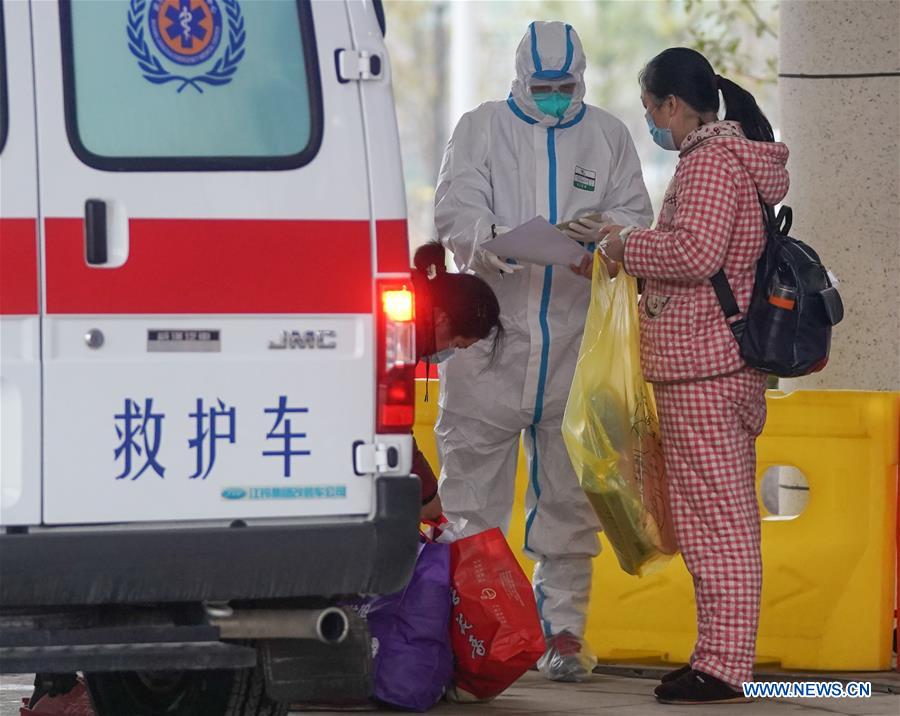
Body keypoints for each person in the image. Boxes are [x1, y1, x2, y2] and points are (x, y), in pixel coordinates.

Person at [433, 20, 653, 682]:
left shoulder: (608, 136)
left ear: (581, 77)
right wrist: (500, 239)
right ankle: (473, 634)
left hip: (574, 350)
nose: (555, 96)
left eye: (565, 86)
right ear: (519, 80)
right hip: (490, 352)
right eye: (543, 87)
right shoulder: (480, 129)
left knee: (569, 498)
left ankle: (563, 635)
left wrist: (606, 245)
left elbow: (637, 218)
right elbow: (455, 215)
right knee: (471, 500)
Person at [571, 48, 790, 704]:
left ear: (673, 105)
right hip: (712, 364)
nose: (651, 124)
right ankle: (718, 657)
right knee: (713, 521)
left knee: (716, 525)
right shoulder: (728, 160)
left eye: (650, 111)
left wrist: (623, 242)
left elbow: (694, 252)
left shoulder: (710, 163)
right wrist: (625, 254)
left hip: (706, 369)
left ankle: (723, 668)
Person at [410, 242, 502, 522]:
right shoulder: (397, 334)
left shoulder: (408, 307)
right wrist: (426, 496)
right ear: (440, 319)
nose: (448, 351)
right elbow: (390, 431)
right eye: (456, 344)